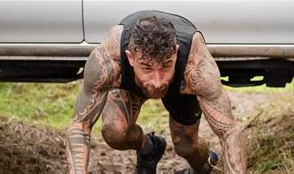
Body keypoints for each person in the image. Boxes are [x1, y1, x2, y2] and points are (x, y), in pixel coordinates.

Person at [65, 10, 247, 174]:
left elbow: (229, 131)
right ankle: (150, 148)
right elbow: (80, 126)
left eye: (165, 66)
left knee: (185, 145)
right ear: (130, 57)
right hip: (132, 82)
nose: (157, 82)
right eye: (147, 67)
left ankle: (206, 165)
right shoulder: (107, 62)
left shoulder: (197, 67)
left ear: (175, 54)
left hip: (180, 84)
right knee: (115, 133)